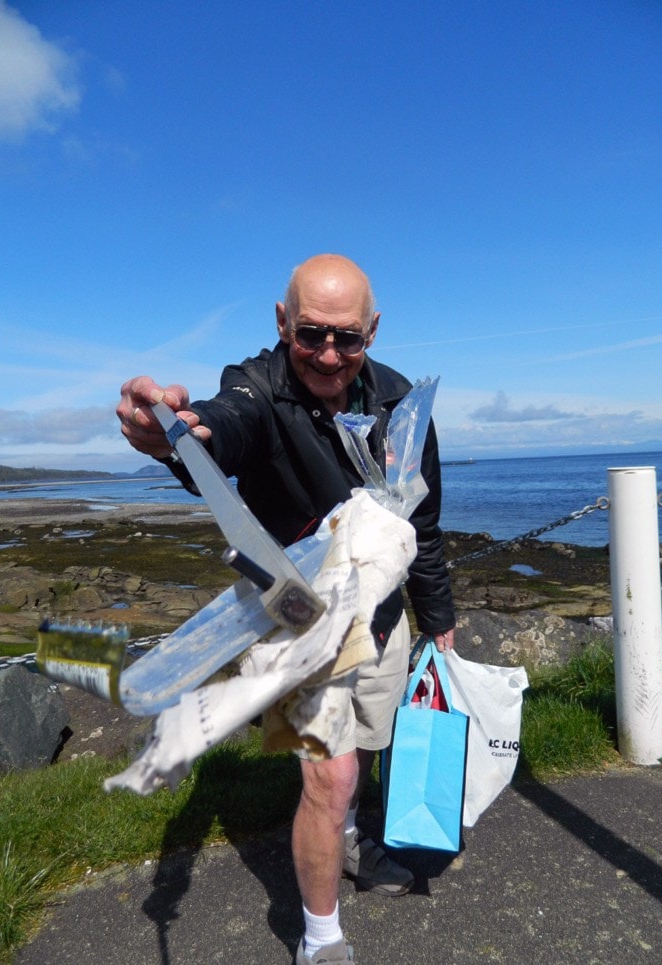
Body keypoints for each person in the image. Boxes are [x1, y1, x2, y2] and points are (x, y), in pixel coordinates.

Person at [117, 253, 455, 964]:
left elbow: (422, 528)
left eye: (347, 337)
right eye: (310, 334)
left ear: (373, 329)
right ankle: (321, 936)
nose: (328, 354)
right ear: (282, 322)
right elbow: (225, 425)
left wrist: (442, 621)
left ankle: (355, 838)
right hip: (298, 623)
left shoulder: (400, 401)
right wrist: (177, 433)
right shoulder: (257, 384)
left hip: (383, 616)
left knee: (370, 741)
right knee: (327, 777)